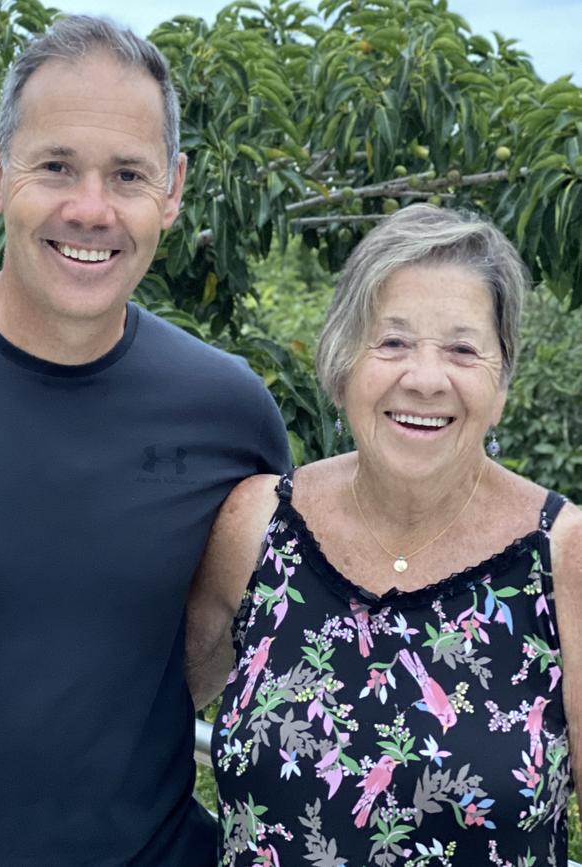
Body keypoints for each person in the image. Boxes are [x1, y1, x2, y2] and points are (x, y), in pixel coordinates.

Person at [0, 15, 290, 867]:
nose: (90, 209)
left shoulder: (231, 414)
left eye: (127, 175)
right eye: (55, 166)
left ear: (172, 190)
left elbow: (239, 640)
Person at [187, 204, 582, 866]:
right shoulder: (258, 527)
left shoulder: (563, 556)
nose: (425, 378)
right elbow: (146, 716)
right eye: (392, 342)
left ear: (503, 379)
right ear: (343, 363)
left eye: (462, 348)